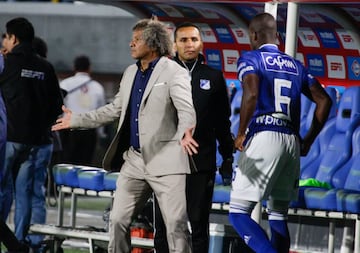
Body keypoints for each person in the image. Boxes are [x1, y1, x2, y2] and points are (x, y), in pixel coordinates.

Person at [52, 18, 198, 253]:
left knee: (176, 227)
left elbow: (186, 109)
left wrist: (186, 131)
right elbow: (114, 110)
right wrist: (76, 120)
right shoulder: (130, 72)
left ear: (152, 43)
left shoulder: (174, 72)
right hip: (134, 161)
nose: (131, 44)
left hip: (167, 160)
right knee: (117, 220)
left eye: (137, 39)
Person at [229, 13, 332, 253]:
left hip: (265, 134)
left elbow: (252, 93)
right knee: (277, 214)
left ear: (253, 35)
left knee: (238, 212)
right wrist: (308, 140)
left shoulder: (251, 58)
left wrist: (241, 132)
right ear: (277, 37)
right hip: (291, 141)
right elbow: (324, 101)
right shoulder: (296, 66)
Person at [153, 22, 234, 253]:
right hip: (166, 163)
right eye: (184, 40)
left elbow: (222, 121)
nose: (190, 44)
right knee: (164, 223)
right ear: (174, 45)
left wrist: (227, 156)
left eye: (194, 40)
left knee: (198, 223)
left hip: (201, 161)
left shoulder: (214, 76)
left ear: (201, 43)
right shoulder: (161, 73)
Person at [0, 17, 63, 246]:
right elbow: (57, 105)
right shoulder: (46, 67)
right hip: (39, 141)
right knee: (29, 195)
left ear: (13, 38)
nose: (4, 42)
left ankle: (10, 244)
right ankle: (27, 243)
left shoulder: (5, 63)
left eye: (5, 37)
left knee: (3, 192)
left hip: (9, 139)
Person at [59, 55, 106, 166]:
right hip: (89, 130)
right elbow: (102, 112)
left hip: (68, 128)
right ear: (89, 68)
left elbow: (59, 107)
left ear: (74, 67)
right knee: (85, 165)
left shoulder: (65, 84)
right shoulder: (97, 87)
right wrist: (101, 133)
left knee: (67, 164)